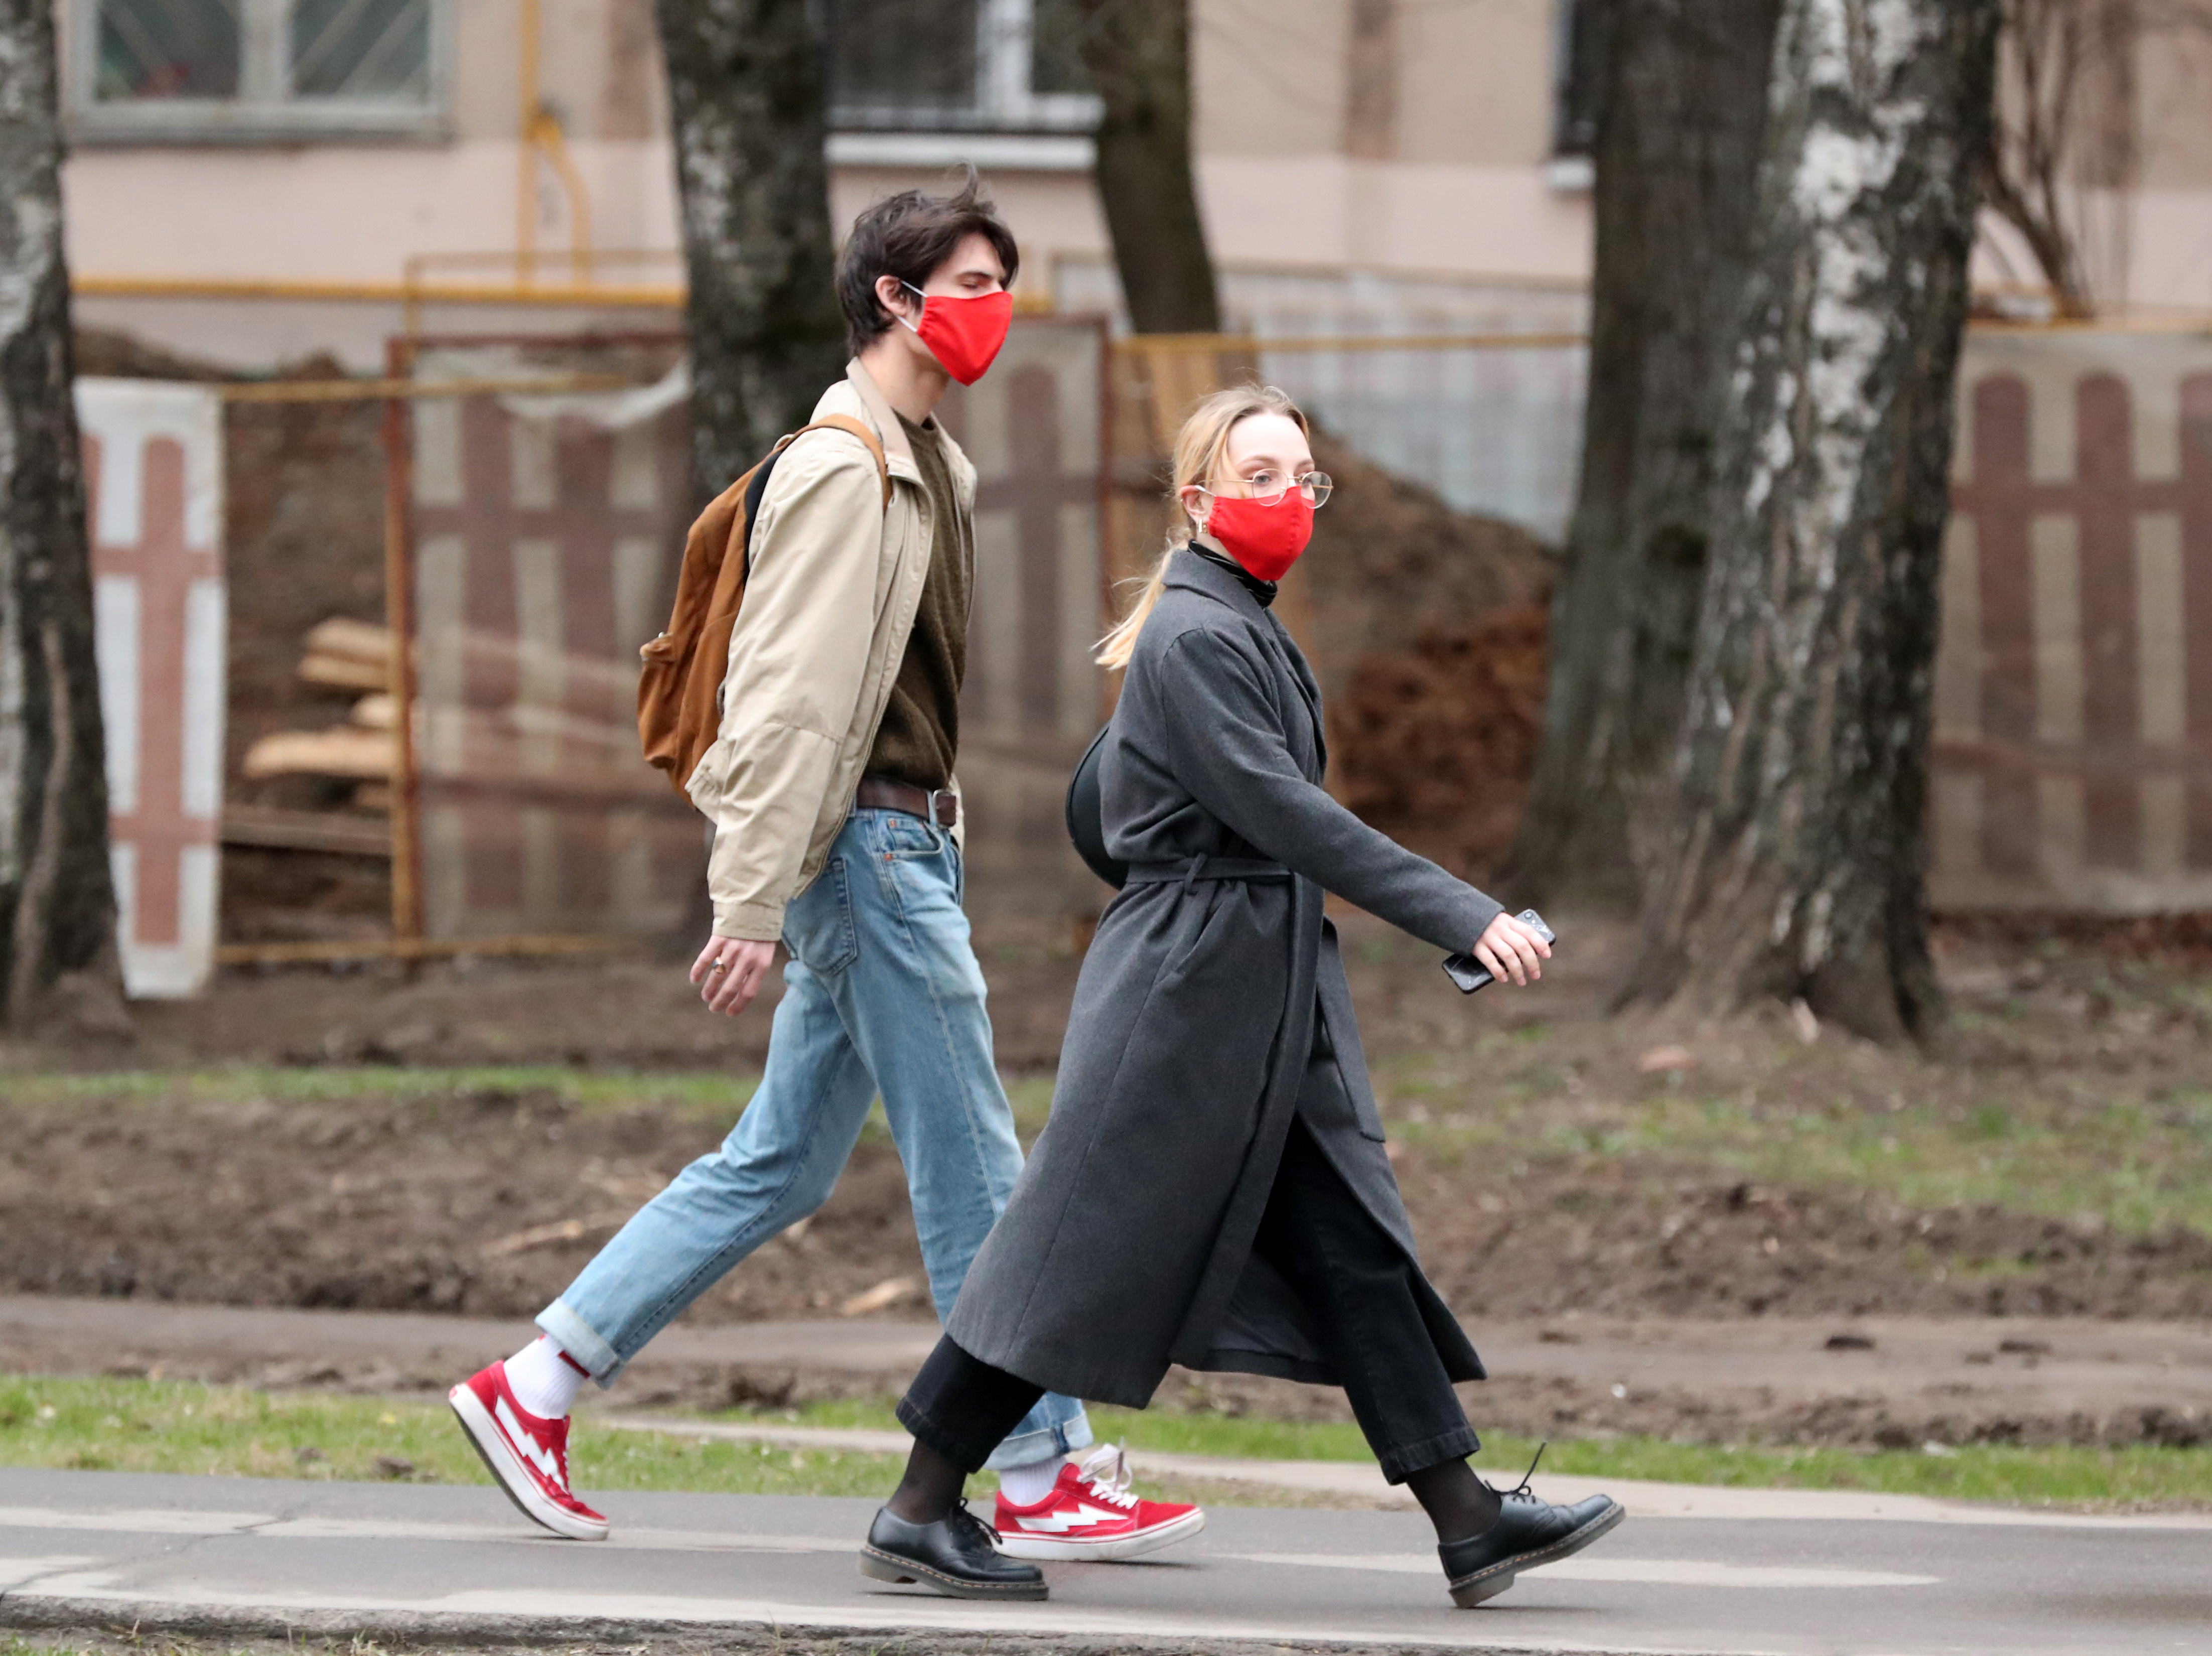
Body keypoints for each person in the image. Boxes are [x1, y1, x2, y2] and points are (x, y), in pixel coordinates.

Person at [448, 175, 1202, 1566]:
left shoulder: (918, 461)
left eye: (1002, 286)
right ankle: (1040, 1465)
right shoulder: (847, 468)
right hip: (864, 849)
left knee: (780, 1159)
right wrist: (752, 898)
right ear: (896, 301)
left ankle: (533, 1385)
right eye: (970, 286)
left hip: (891, 841)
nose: (994, 312)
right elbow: (788, 700)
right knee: (979, 1163)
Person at [855, 385, 1624, 1607]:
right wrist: (1461, 911)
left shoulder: (1226, 623)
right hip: (1188, 993)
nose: (1287, 499)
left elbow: (1114, 814)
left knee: (1351, 1245)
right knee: (1072, 1248)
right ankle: (915, 1507)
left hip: (1251, 982)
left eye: (1301, 477)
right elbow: (1282, 812)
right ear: (1198, 498)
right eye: (1258, 475)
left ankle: (1466, 1516)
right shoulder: (1201, 637)